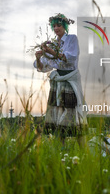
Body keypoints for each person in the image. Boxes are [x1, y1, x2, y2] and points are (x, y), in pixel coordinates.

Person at [33, 13, 87, 145]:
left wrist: (53, 53)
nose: (56, 28)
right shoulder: (53, 44)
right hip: (57, 82)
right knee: (57, 113)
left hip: (70, 81)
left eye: (59, 25)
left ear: (64, 26)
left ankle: (83, 149)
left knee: (73, 112)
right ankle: (61, 150)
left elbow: (70, 58)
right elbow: (43, 67)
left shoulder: (71, 39)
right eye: (54, 26)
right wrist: (39, 57)